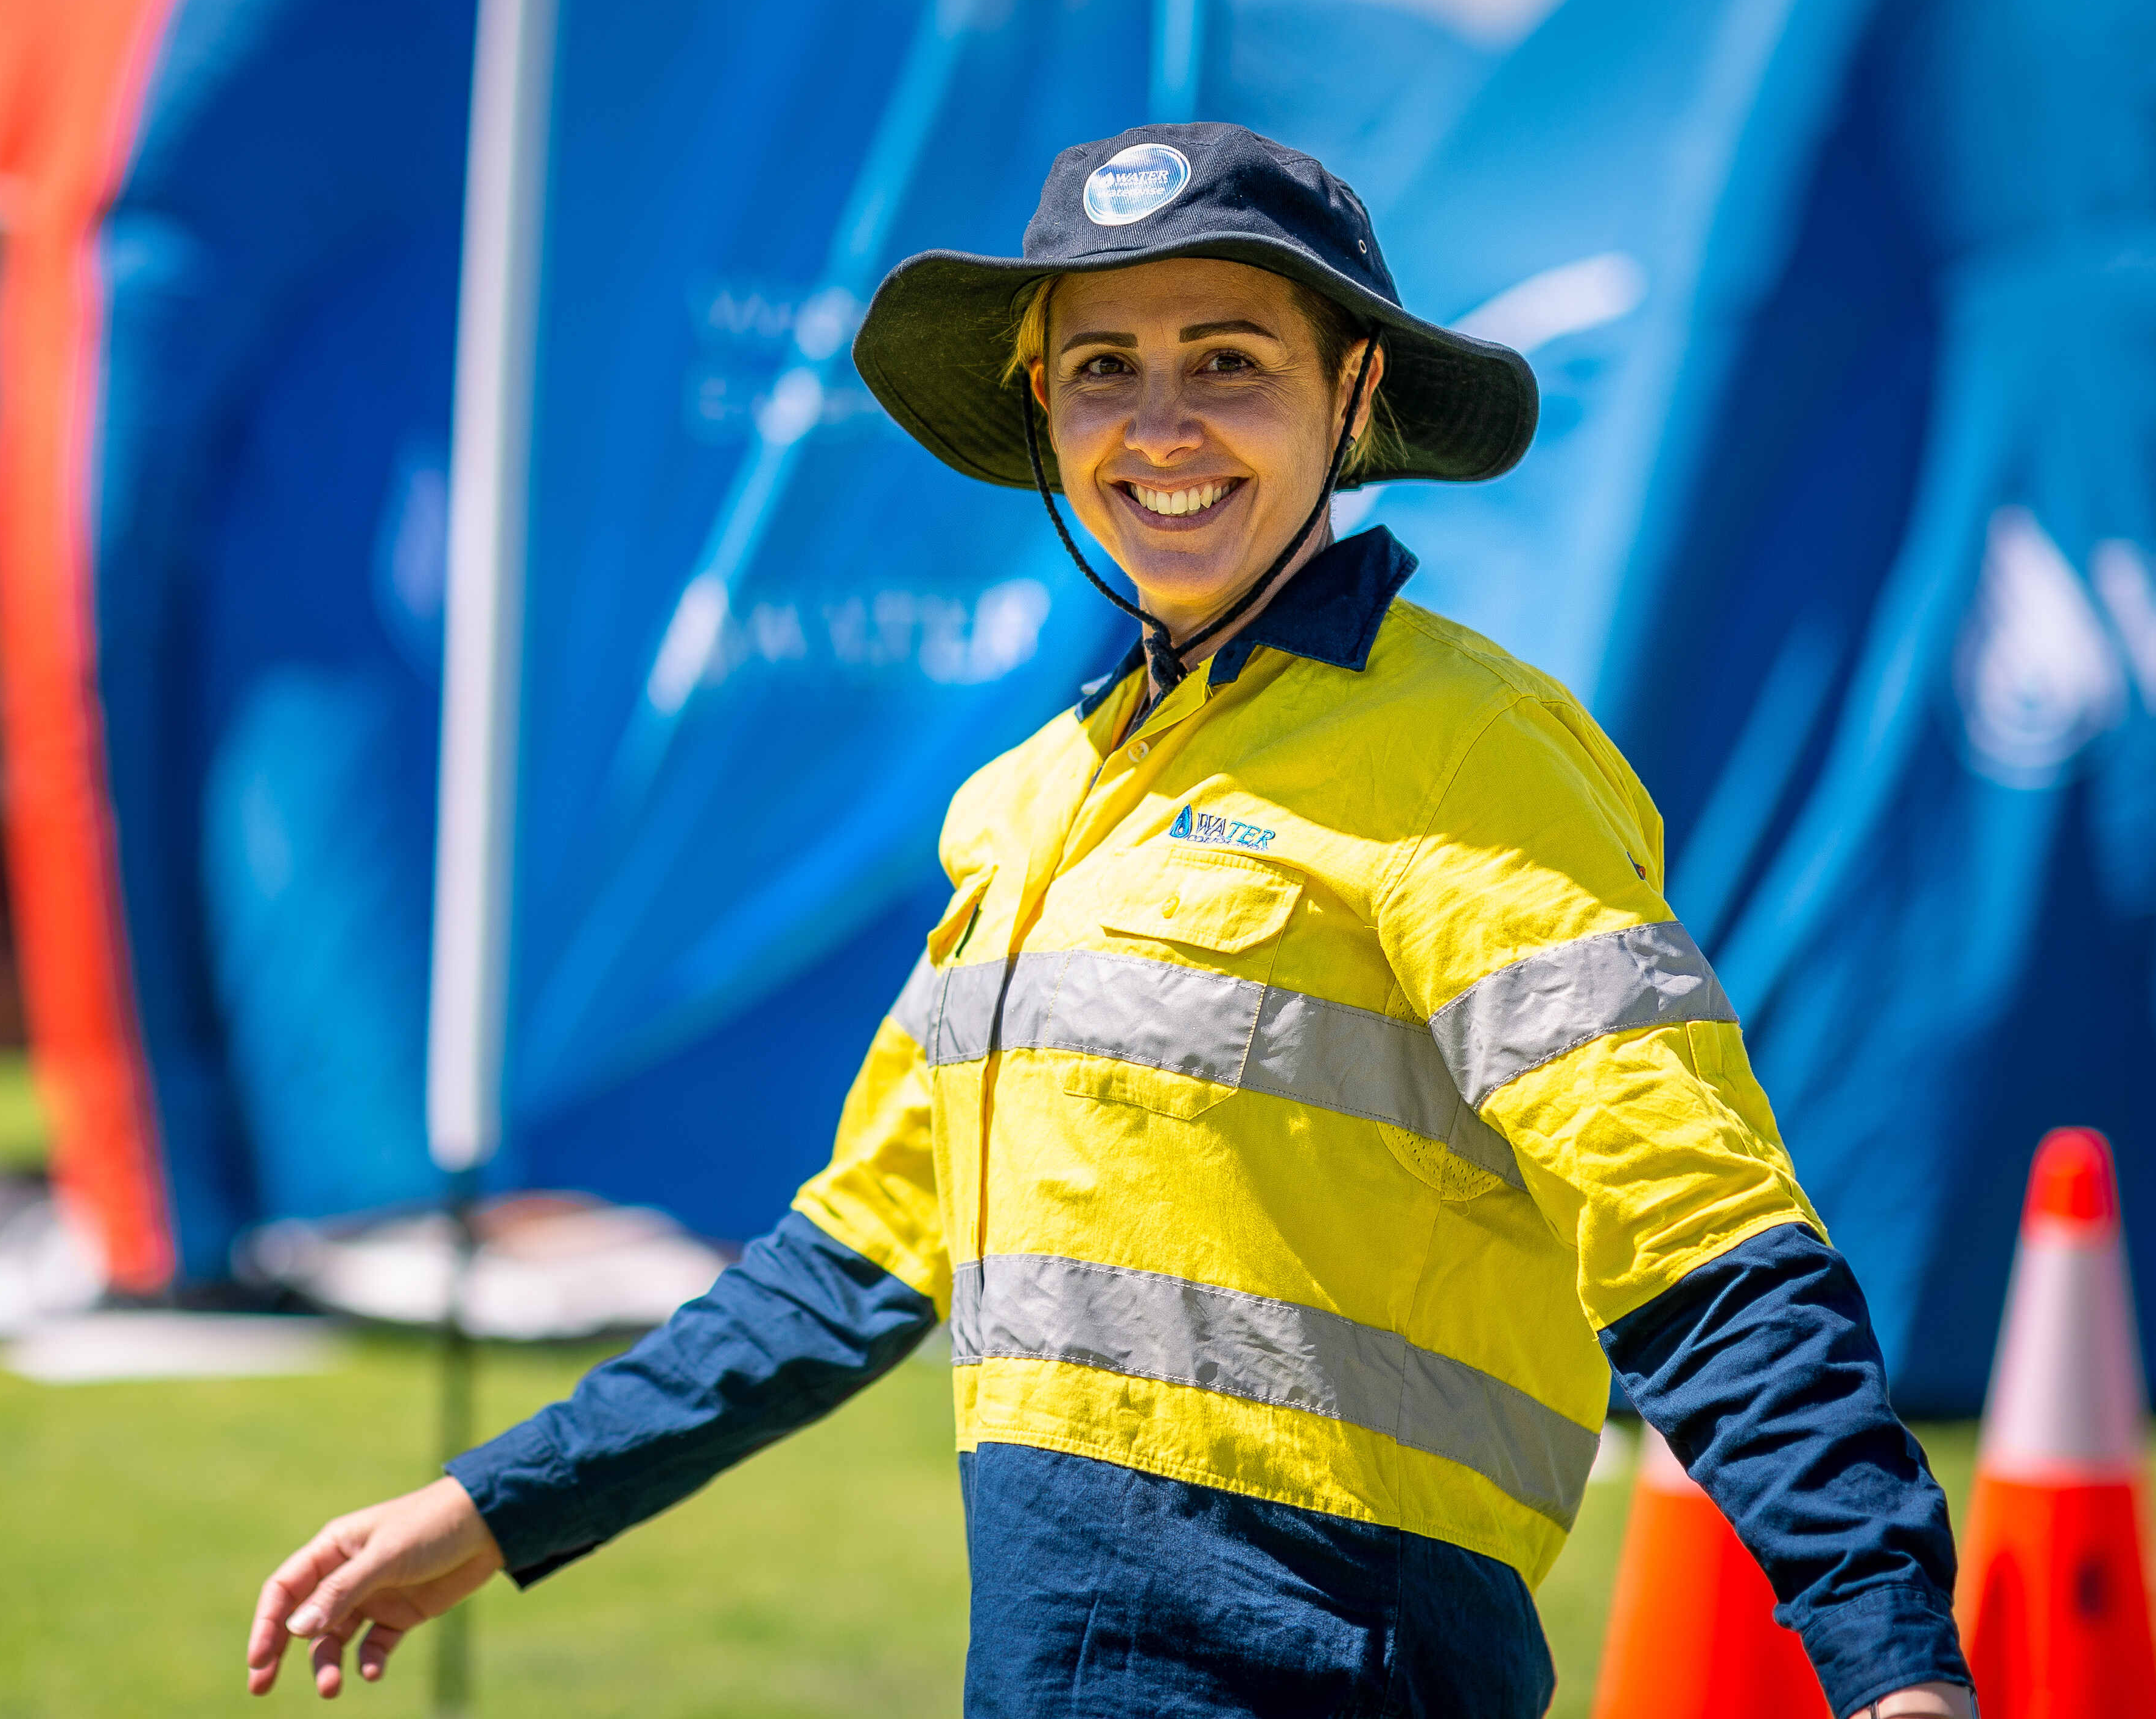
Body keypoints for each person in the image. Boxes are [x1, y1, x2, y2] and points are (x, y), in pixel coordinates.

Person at [243, 125, 1975, 1717]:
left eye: (1228, 361)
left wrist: (1886, 1651)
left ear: (1353, 393)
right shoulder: (1030, 805)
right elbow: (847, 1265)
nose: (1160, 426)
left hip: (1337, 1660)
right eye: (1102, 373)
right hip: (1063, 1663)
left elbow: (1691, 1222)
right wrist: (496, 1509)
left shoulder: (1471, 749)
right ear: (1046, 421)